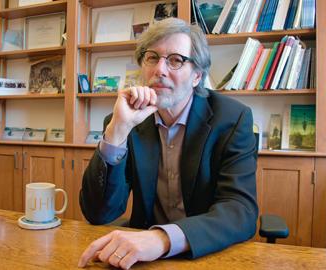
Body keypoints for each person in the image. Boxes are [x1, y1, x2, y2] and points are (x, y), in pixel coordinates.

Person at [78, 18, 258, 269]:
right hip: (144, 260)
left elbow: (241, 211)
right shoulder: (126, 120)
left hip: (206, 255)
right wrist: (117, 132)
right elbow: (98, 213)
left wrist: (162, 238)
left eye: (175, 60)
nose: (159, 70)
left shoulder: (231, 119)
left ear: (197, 76)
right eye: (152, 58)